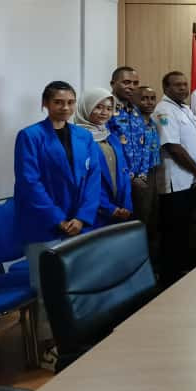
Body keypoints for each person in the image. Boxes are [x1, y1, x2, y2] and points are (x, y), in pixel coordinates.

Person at [14, 81, 101, 369]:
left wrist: (82, 217)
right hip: (44, 225)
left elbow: (92, 179)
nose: (65, 107)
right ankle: (49, 347)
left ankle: (75, 339)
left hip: (79, 223)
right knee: (47, 288)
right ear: (45, 104)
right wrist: (58, 219)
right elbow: (29, 183)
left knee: (77, 283)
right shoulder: (30, 136)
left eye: (70, 102)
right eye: (58, 102)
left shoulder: (83, 136)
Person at [153, 71, 196, 288]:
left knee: (186, 231)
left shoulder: (183, 108)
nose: (184, 88)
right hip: (175, 183)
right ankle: (170, 281)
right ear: (166, 88)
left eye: (185, 84)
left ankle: (185, 277)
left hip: (189, 181)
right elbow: (172, 146)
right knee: (173, 234)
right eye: (177, 85)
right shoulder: (164, 110)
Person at [74, 88, 133, 227]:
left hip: (119, 209)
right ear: (86, 107)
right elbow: (83, 181)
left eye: (109, 108)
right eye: (98, 107)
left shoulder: (112, 137)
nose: (104, 112)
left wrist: (126, 205)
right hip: (92, 212)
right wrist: (109, 208)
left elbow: (124, 173)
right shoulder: (78, 139)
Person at [107, 67, 157, 227]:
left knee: (140, 224)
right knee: (118, 227)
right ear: (113, 84)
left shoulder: (135, 111)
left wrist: (142, 175)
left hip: (139, 180)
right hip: (117, 180)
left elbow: (144, 145)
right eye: (126, 82)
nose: (132, 87)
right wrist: (129, 177)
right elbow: (108, 149)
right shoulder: (105, 110)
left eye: (135, 83)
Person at [135, 85, 163, 259]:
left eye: (152, 98)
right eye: (144, 98)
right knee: (142, 218)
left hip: (153, 173)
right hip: (139, 176)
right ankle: (139, 260)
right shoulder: (132, 123)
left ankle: (153, 262)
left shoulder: (152, 122)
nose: (149, 102)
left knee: (153, 217)